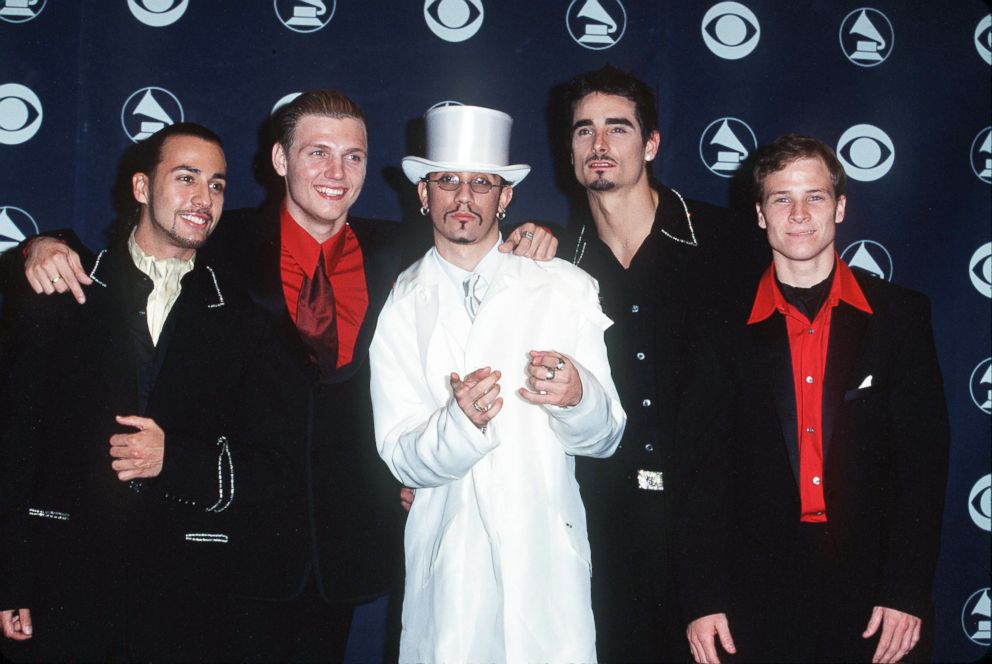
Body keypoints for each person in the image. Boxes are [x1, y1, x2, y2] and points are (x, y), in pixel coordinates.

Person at [10, 89, 557, 661]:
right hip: (229, 543)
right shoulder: (221, 238)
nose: (335, 173)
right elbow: (130, 246)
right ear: (280, 161)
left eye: (353, 157)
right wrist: (39, 246)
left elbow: (475, 232)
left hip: (348, 543)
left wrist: (540, 232)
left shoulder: (401, 252)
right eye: (317, 152)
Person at [0, 123, 292, 662]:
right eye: (186, 179)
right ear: (141, 188)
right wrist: (9, 578)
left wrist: (175, 459)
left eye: (218, 185)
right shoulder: (64, 286)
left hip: (187, 600)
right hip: (64, 585)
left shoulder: (245, 319)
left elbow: (275, 464)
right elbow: (13, 442)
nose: (204, 199)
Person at [676, 134, 949, 663]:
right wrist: (702, 598)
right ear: (759, 214)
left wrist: (906, 591)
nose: (799, 214)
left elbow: (923, 469)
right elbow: (700, 473)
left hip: (874, 598)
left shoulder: (900, 317)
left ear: (841, 206)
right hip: (753, 596)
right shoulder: (717, 326)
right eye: (781, 199)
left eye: (815, 197)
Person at [370, 103, 626, 663]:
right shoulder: (400, 305)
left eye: (482, 183)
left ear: (505, 196)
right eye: (448, 181)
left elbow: (607, 436)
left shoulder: (564, 286)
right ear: (423, 193)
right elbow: (401, 457)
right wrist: (459, 424)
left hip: (546, 561)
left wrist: (577, 396)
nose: (464, 197)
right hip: (450, 570)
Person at [556, 64, 767, 661]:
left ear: (650, 143)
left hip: (721, 531)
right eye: (583, 131)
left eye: (617, 129)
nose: (599, 146)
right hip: (606, 529)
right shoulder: (553, 271)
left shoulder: (731, 244)